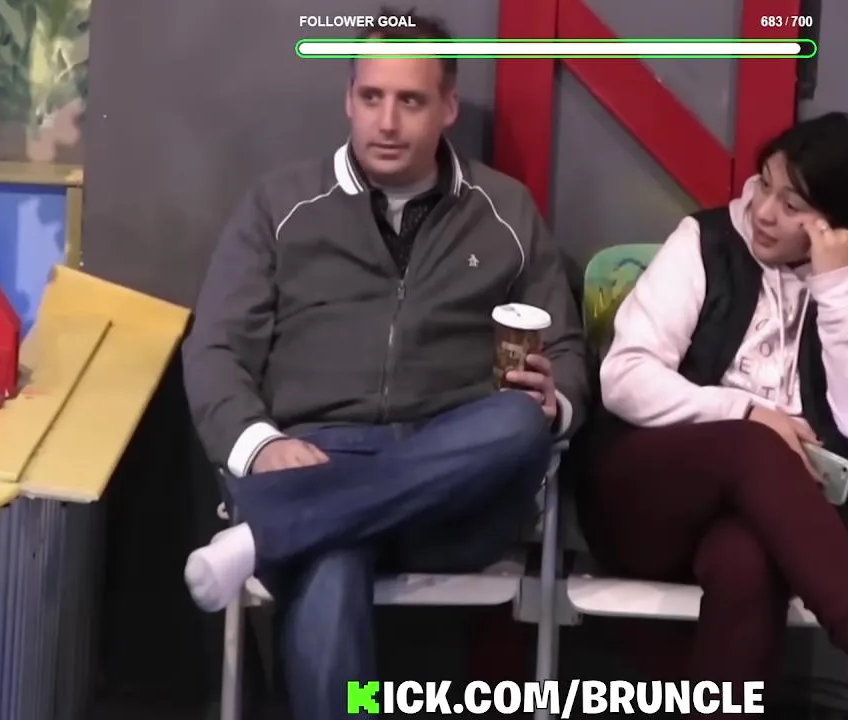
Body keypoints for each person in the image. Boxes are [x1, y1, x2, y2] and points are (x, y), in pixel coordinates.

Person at [179, 9, 586, 718]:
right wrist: (260, 445)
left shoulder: (505, 212)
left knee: (519, 422)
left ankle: (275, 530)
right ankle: (304, 523)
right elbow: (214, 348)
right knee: (329, 556)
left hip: (457, 486)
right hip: (316, 455)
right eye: (372, 97)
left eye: (411, 101)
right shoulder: (280, 206)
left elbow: (570, 351)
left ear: (448, 107)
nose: (387, 122)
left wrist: (558, 401)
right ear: (349, 99)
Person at [573, 113, 848, 716]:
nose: (763, 211)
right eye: (765, 184)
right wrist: (746, 412)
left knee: (747, 564)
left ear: (840, 224)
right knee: (754, 442)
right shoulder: (707, 240)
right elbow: (624, 377)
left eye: (793, 206)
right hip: (643, 502)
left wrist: (837, 288)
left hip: (777, 525)